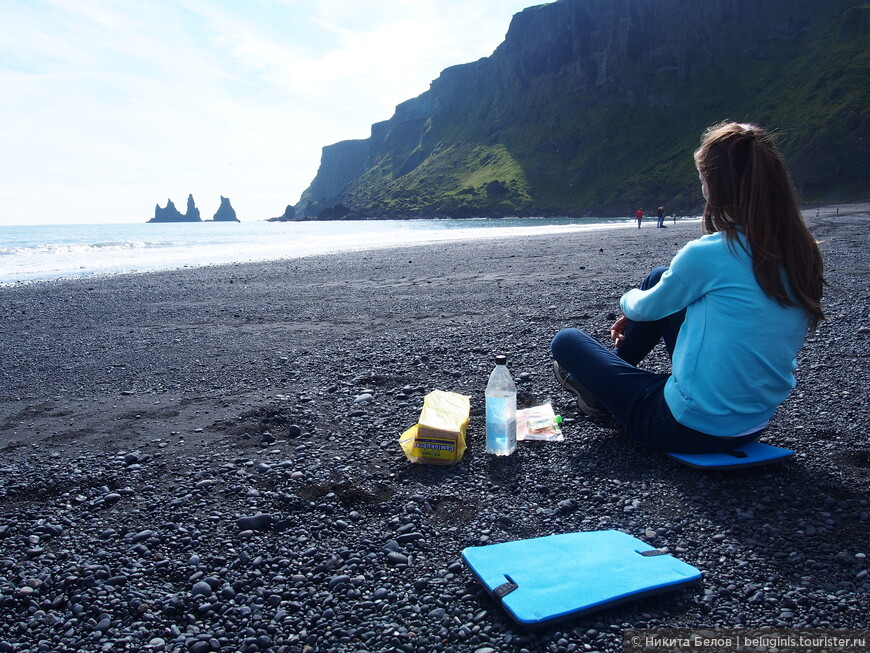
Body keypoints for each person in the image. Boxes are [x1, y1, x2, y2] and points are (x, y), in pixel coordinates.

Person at [551, 122, 825, 453]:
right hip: (752, 422)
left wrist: (628, 303)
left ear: (716, 185)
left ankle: (599, 389)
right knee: (659, 277)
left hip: (684, 425)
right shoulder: (802, 250)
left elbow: (642, 307)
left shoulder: (711, 252)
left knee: (565, 341)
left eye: (703, 180)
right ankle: (603, 386)